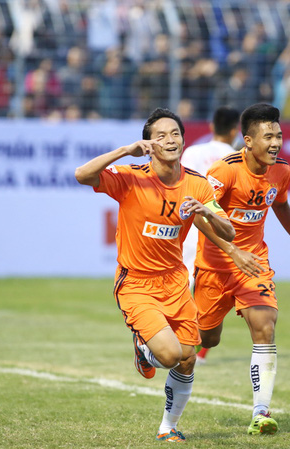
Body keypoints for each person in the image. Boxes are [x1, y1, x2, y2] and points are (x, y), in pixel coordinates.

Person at [74, 108, 235, 442]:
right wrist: (123, 151)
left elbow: (229, 231)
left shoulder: (198, 184)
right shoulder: (132, 176)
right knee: (170, 355)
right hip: (135, 283)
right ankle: (143, 346)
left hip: (175, 282)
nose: (170, 140)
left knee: (188, 359)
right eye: (160, 135)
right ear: (149, 142)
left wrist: (207, 211)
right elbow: (81, 174)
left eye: (175, 133)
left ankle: (168, 427)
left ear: (184, 139)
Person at [193, 103, 290, 435]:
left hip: (254, 264)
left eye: (279, 135)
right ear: (248, 140)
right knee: (208, 337)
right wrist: (230, 249)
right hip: (214, 266)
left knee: (265, 326)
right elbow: (198, 215)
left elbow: (280, 204)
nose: (276, 143)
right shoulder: (223, 170)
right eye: (268, 136)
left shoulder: (281, 170)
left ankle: (260, 412)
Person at [181, 105, 241, 365]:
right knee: (215, 293)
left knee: (183, 287)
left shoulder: (192, 151)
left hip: (188, 226)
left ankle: (175, 342)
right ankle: (200, 351)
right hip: (215, 228)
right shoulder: (235, 157)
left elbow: (179, 184)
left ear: (210, 127)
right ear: (235, 131)